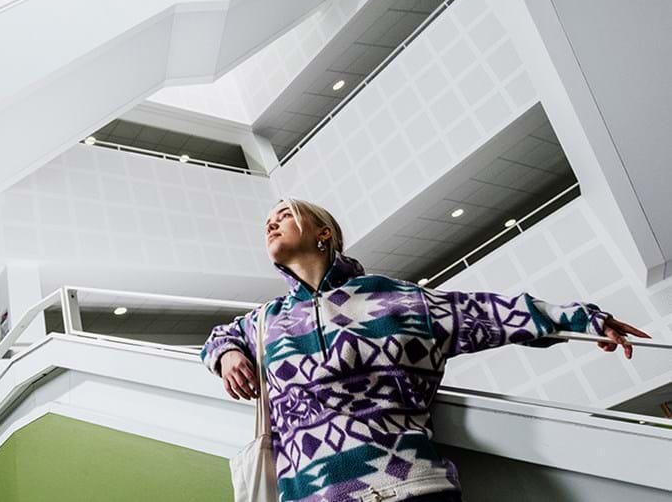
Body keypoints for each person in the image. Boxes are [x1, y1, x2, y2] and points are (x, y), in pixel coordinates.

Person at [201, 198, 650, 502]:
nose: (270, 223)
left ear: (323, 232)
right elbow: (218, 338)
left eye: (284, 214)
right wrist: (228, 355)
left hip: (414, 488)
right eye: (269, 221)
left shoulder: (400, 299)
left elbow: (492, 313)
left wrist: (587, 320)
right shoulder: (264, 321)